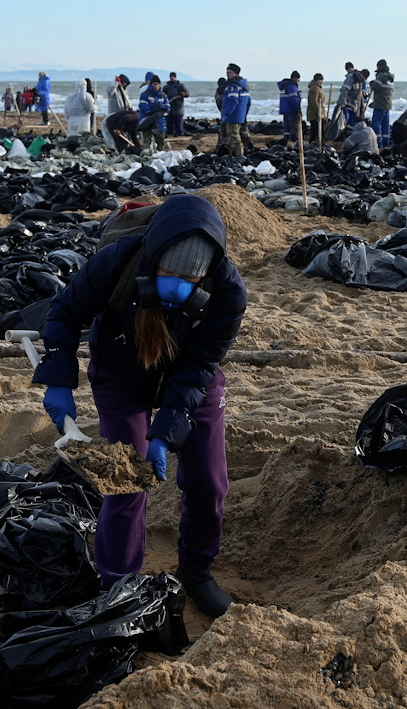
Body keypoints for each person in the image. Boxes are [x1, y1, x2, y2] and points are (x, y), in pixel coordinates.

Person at [35, 194, 248, 617]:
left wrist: (168, 429)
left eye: (189, 282)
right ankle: (117, 584)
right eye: (169, 274)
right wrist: (59, 379)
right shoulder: (119, 260)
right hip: (120, 370)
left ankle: (197, 571)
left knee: (209, 482)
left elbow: (200, 364)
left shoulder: (228, 291)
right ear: (153, 259)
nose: (176, 287)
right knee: (127, 482)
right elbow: (64, 311)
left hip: (188, 376)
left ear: (204, 278)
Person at [221, 63, 251, 157]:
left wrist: (226, 114)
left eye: (229, 72)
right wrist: (244, 114)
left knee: (233, 135)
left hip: (233, 116)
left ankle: (239, 155)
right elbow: (249, 102)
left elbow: (233, 101)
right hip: (240, 115)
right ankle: (234, 153)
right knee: (236, 134)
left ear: (235, 73)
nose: (227, 75)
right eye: (227, 72)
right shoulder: (244, 86)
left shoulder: (233, 86)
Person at [138, 74, 170, 151]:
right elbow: (142, 105)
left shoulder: (163, 95)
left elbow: (167, 106)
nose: (156, 86)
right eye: (154, 84)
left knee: (161, 142)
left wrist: (162, 112)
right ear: (151, 84)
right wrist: (152, 112)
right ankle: (146, 157)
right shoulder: (145, 94)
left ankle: (160, 157)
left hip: (160, 121)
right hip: (148, 120)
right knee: (147, 142)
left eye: (158, 84)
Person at [369, 60, 395, 149]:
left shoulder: (381, 76)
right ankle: (386, 143)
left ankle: (378, 143)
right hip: (388, 104)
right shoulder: (390, 78)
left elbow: (375, 87)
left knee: (376, 123)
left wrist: (372, 82)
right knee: (386, 125)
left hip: (380, 104)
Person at [335, 62, 366, 126]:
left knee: (350, 122)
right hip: (349, 105)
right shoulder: (353, 78)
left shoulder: (358, 80)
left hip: (353, 105)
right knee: (347, 121)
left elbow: (360, 94)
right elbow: (345, 91)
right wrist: (343, 103)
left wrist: (362, 106)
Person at [276, 70, 301, 146]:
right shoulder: (292, 86)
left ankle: (286, 140)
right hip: (291, 110)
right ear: (296, 79)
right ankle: (293, 142)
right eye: (298, 79)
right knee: (293, 127)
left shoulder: (285, 86)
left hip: (285, 109)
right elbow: (293, 99)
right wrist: (298, 109)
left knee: (287, 127)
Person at [162, 72, 189, 137]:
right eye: (171, 76)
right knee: (169, 128)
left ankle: (179, 134)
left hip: (178, 108)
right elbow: (162, 96)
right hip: (169, 108)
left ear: (175, 77)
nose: (172, 78)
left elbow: (187, 94)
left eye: (173, 76)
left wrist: (184, 94)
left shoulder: (181, 86)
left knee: (179, 128)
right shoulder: (166, 87)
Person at [306, 73, 326, 146]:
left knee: (316, 131)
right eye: (319, 80)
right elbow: (313, 102)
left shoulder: (317, 88)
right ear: (315, 80)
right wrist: (319, 113)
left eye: (321, 80)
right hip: (314, 115)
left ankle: (316, 145)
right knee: (316, 131)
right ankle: (314, 145)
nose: (321, 81)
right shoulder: (315, 88)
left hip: (316, 113)